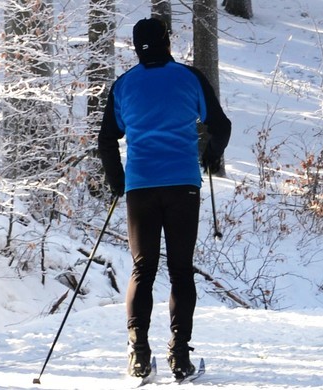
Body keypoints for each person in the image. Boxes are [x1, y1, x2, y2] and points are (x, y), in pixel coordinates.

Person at [97, 17, 231, 380]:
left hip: (140, 187)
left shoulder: (124, 85)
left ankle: (139, 356)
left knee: (143, 269)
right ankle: (179, 358)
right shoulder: (189, 78)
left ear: (137, 47)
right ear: (166, 42)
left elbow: (106, 139)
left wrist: (118, 182)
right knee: (180, 270)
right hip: (182, 186)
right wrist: (210, 155)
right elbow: (222, 126)